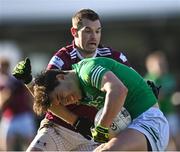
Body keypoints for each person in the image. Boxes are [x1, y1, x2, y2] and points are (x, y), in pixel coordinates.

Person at [13, 9, 132, 151]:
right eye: (88, 31)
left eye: (97, 31)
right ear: (74, 32)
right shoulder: (62, 59)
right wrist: (75, 121)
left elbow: (129, 89)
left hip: (92, 136)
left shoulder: (113, 57)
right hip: (58, 128)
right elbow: (45, 99)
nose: (94, 36)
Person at [33, 57, 169, 151]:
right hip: (132, 128)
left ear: (61, 77)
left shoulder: (87, 71)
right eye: (61, 102)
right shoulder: (79, 93)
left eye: (60, 96)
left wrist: (102, 127)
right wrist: (28, 82)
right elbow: (52, 107)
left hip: (149, 122)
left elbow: (119, 90)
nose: (65, 102)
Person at [145, 51, 180, 150]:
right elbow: (156, 97)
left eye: (164, 64)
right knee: (165, 141)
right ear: (150, 66)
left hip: (170, 112)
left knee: (177, 139)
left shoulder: (169, 78)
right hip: (158, 115)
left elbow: (171, 93)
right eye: (159, 64)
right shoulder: (149, 80)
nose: (162, 66)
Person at [0, 57, 36, 151]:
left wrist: (33, 106)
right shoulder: (2, 83)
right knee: (6, 148)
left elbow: (28, 93)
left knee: (33, 145)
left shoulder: (15, 80)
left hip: (23, 115)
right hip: (8, 117)